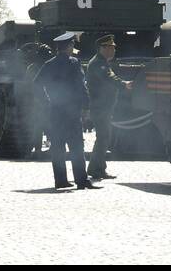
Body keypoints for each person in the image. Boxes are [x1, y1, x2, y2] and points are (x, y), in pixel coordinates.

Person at [34, 32, 97, 190]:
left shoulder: (49, 64)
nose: (73, 48)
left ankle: (60, 180)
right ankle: (81, 180)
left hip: (55, 111)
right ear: (68, 46)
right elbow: (81, 86)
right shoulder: (74, 63)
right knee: (76, 147)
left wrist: (46, 101)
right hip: (72, 111)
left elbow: (36, 84)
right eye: (72, 45)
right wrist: (86, 107)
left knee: (58, 147)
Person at [86, 34, 132, 181]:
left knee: (103, 138)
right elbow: (109, 78)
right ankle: (95, 169)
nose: (113, 50)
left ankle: (98, 168)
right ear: (102, 48)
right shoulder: (98, 63)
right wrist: (124, 84)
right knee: (103, 138)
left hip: (103, 106)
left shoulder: (102, 62)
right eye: (111, 47)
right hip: (100, 107)